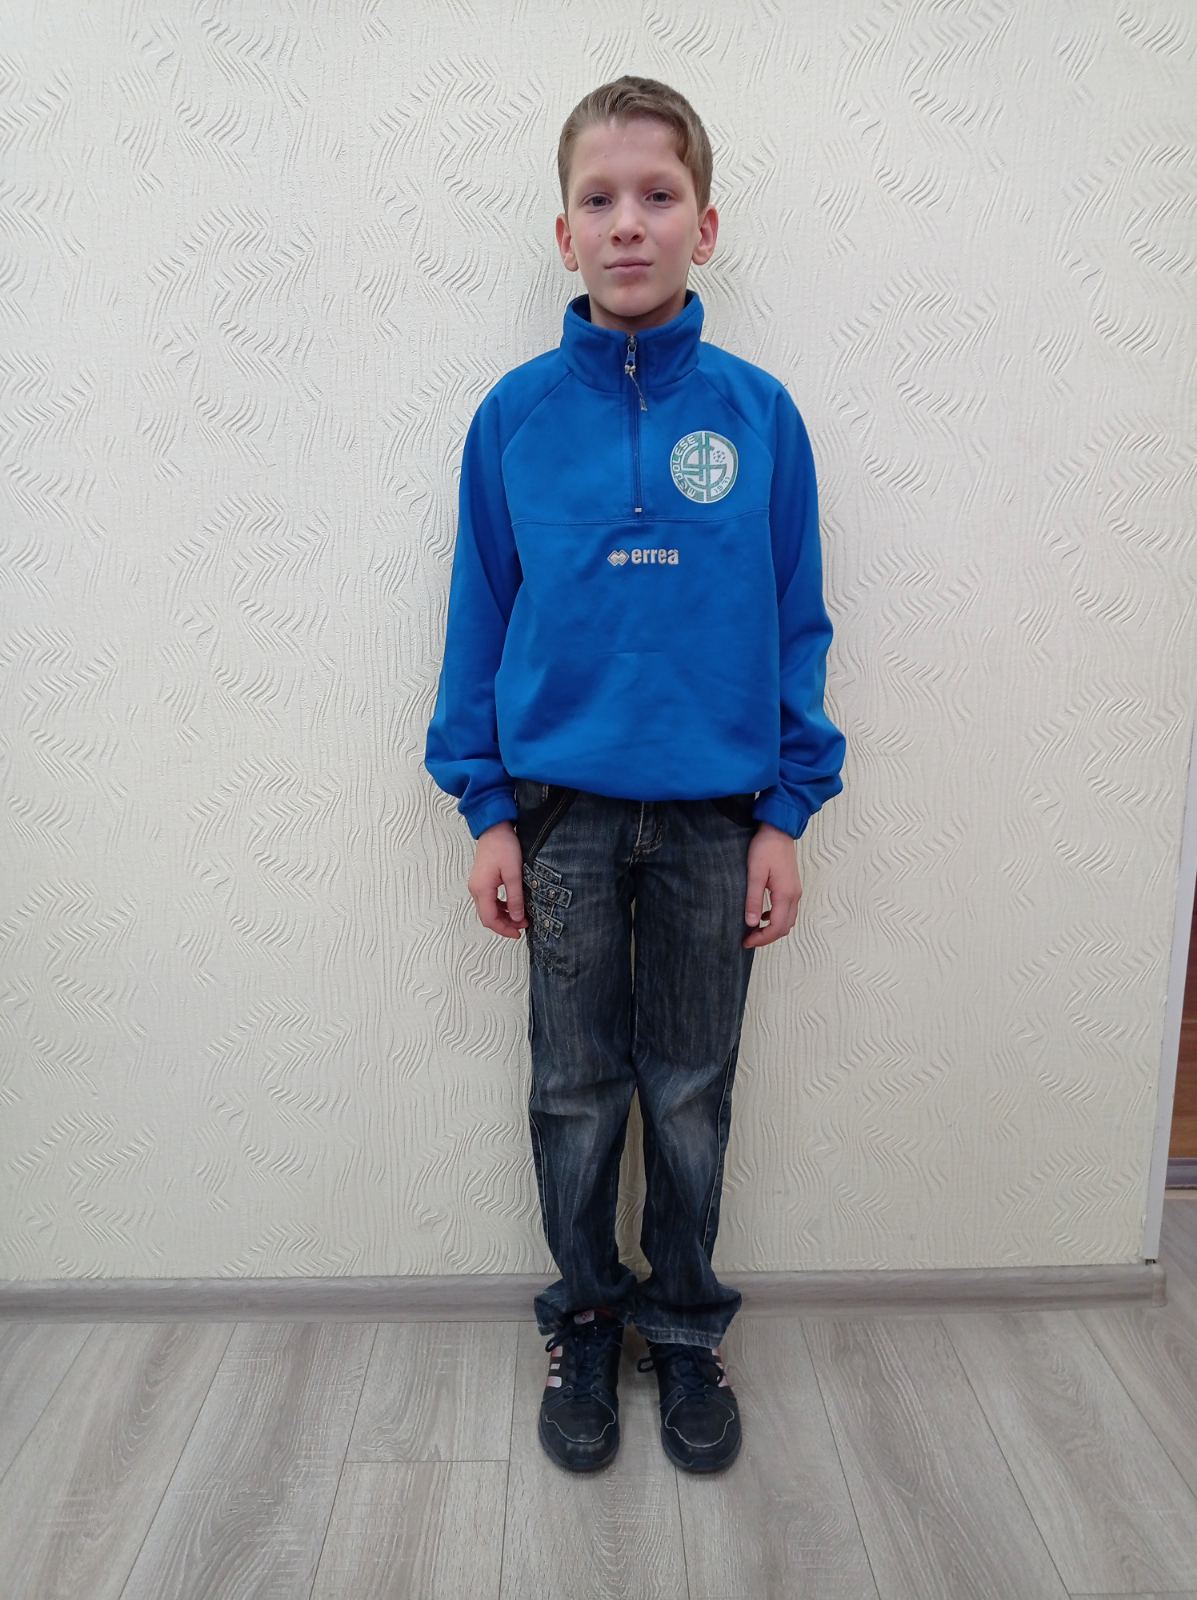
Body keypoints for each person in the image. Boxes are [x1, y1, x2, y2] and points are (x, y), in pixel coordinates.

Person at [424, 75, 846, 1476]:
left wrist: (785, 812)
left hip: (720, 821)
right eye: (598, 199)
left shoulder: (760, 418)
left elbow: (795, 622)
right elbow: (480, 617)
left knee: (690, 1091)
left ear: (703, 224)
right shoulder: (513, 419)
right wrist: (487, 807)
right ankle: (588, 1320)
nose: (627, 224)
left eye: (657, 196)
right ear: (563, 232)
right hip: (562, 822)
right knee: (575, 1092)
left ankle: (682, 1324)